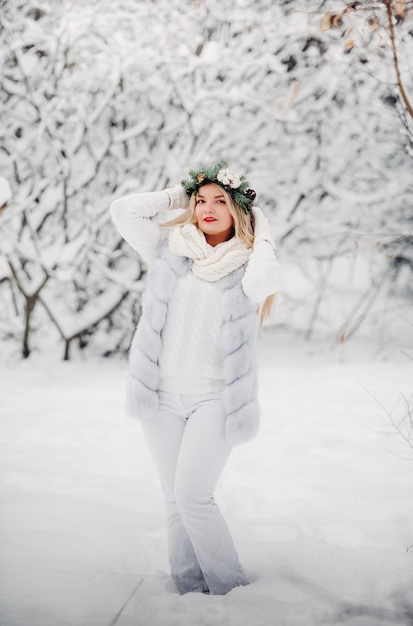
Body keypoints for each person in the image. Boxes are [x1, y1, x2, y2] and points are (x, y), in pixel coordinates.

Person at [110, 160, 279, 596]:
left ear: (237, 209)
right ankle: (187, 589)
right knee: (173, 500)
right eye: (200, 200)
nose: (206, 208)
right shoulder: (171, 250)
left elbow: (268, 274)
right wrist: (176, 196)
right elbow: (123, 211)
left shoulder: (247, 265)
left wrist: (258, 220)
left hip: (215, 399)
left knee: (193, 497)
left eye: (219, 201)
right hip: (161, 396)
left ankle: (230, 589)